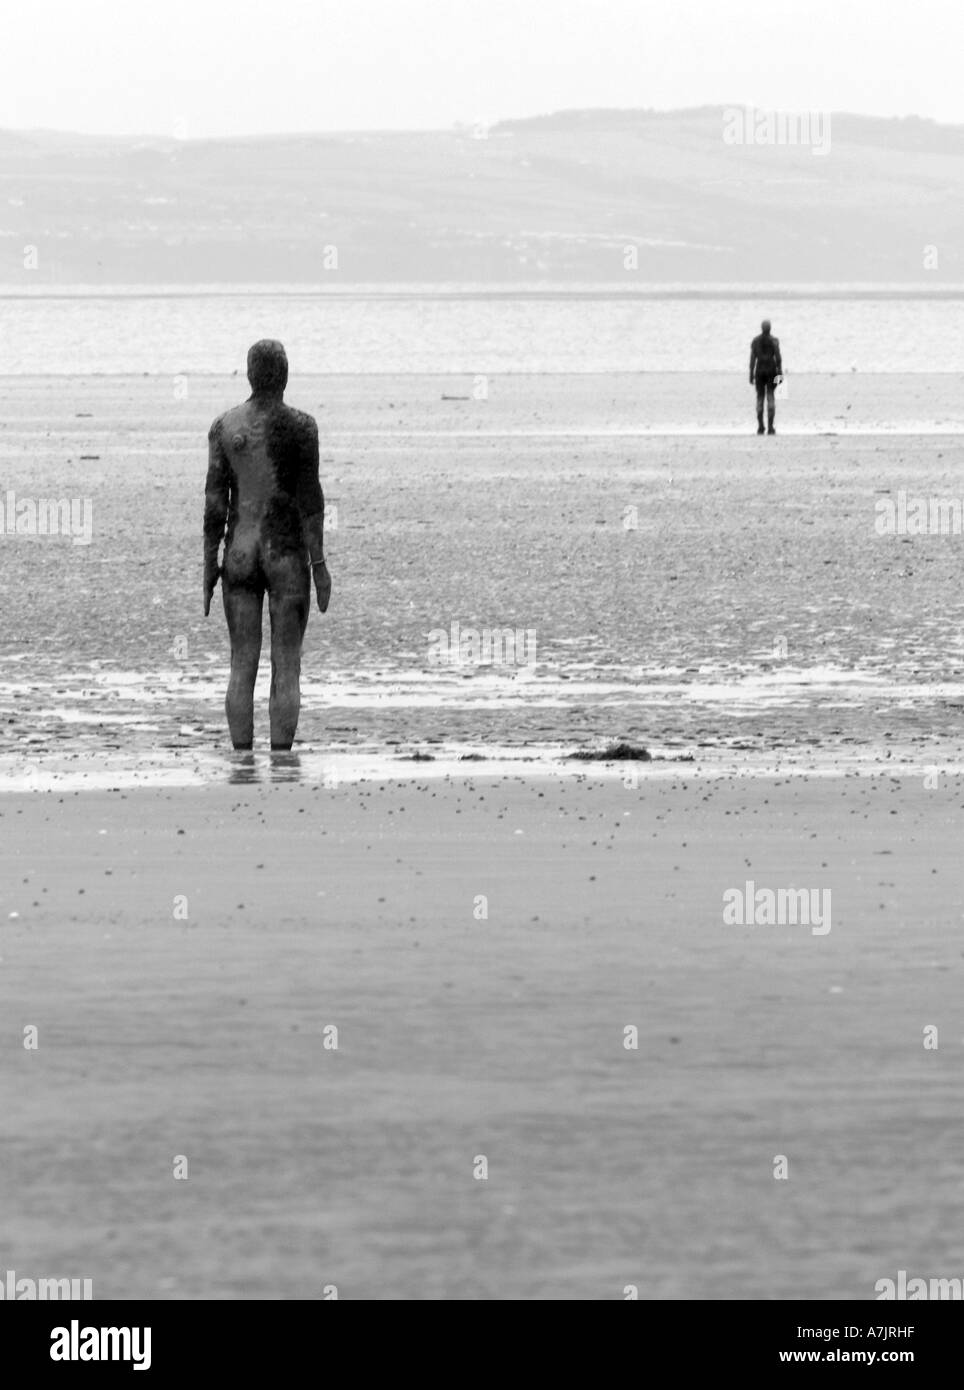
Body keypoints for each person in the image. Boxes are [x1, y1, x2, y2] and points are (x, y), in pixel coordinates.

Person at [203, 339, 331, 750]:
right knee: (286, 662)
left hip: (239, 552)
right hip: (287, 555)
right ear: (285, 374)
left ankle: (242, 756)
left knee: (242, 661)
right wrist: (320, 563)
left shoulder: (224, 427)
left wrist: (209, 564)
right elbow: (311, 501)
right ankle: (281, 756)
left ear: (249, 374)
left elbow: (214, 503)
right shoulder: (302, 427)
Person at [749, 320, 783, 435]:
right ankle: (770, 426)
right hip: (771, 371)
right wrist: (780, 373)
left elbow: (753, 359)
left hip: (759, 371)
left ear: (761, 328)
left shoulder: (755, 341)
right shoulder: (774, 341)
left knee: (759, 398)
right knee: (770, 397)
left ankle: (760, 427)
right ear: (770, 328)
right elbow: (778, 358)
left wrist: (751, 373)